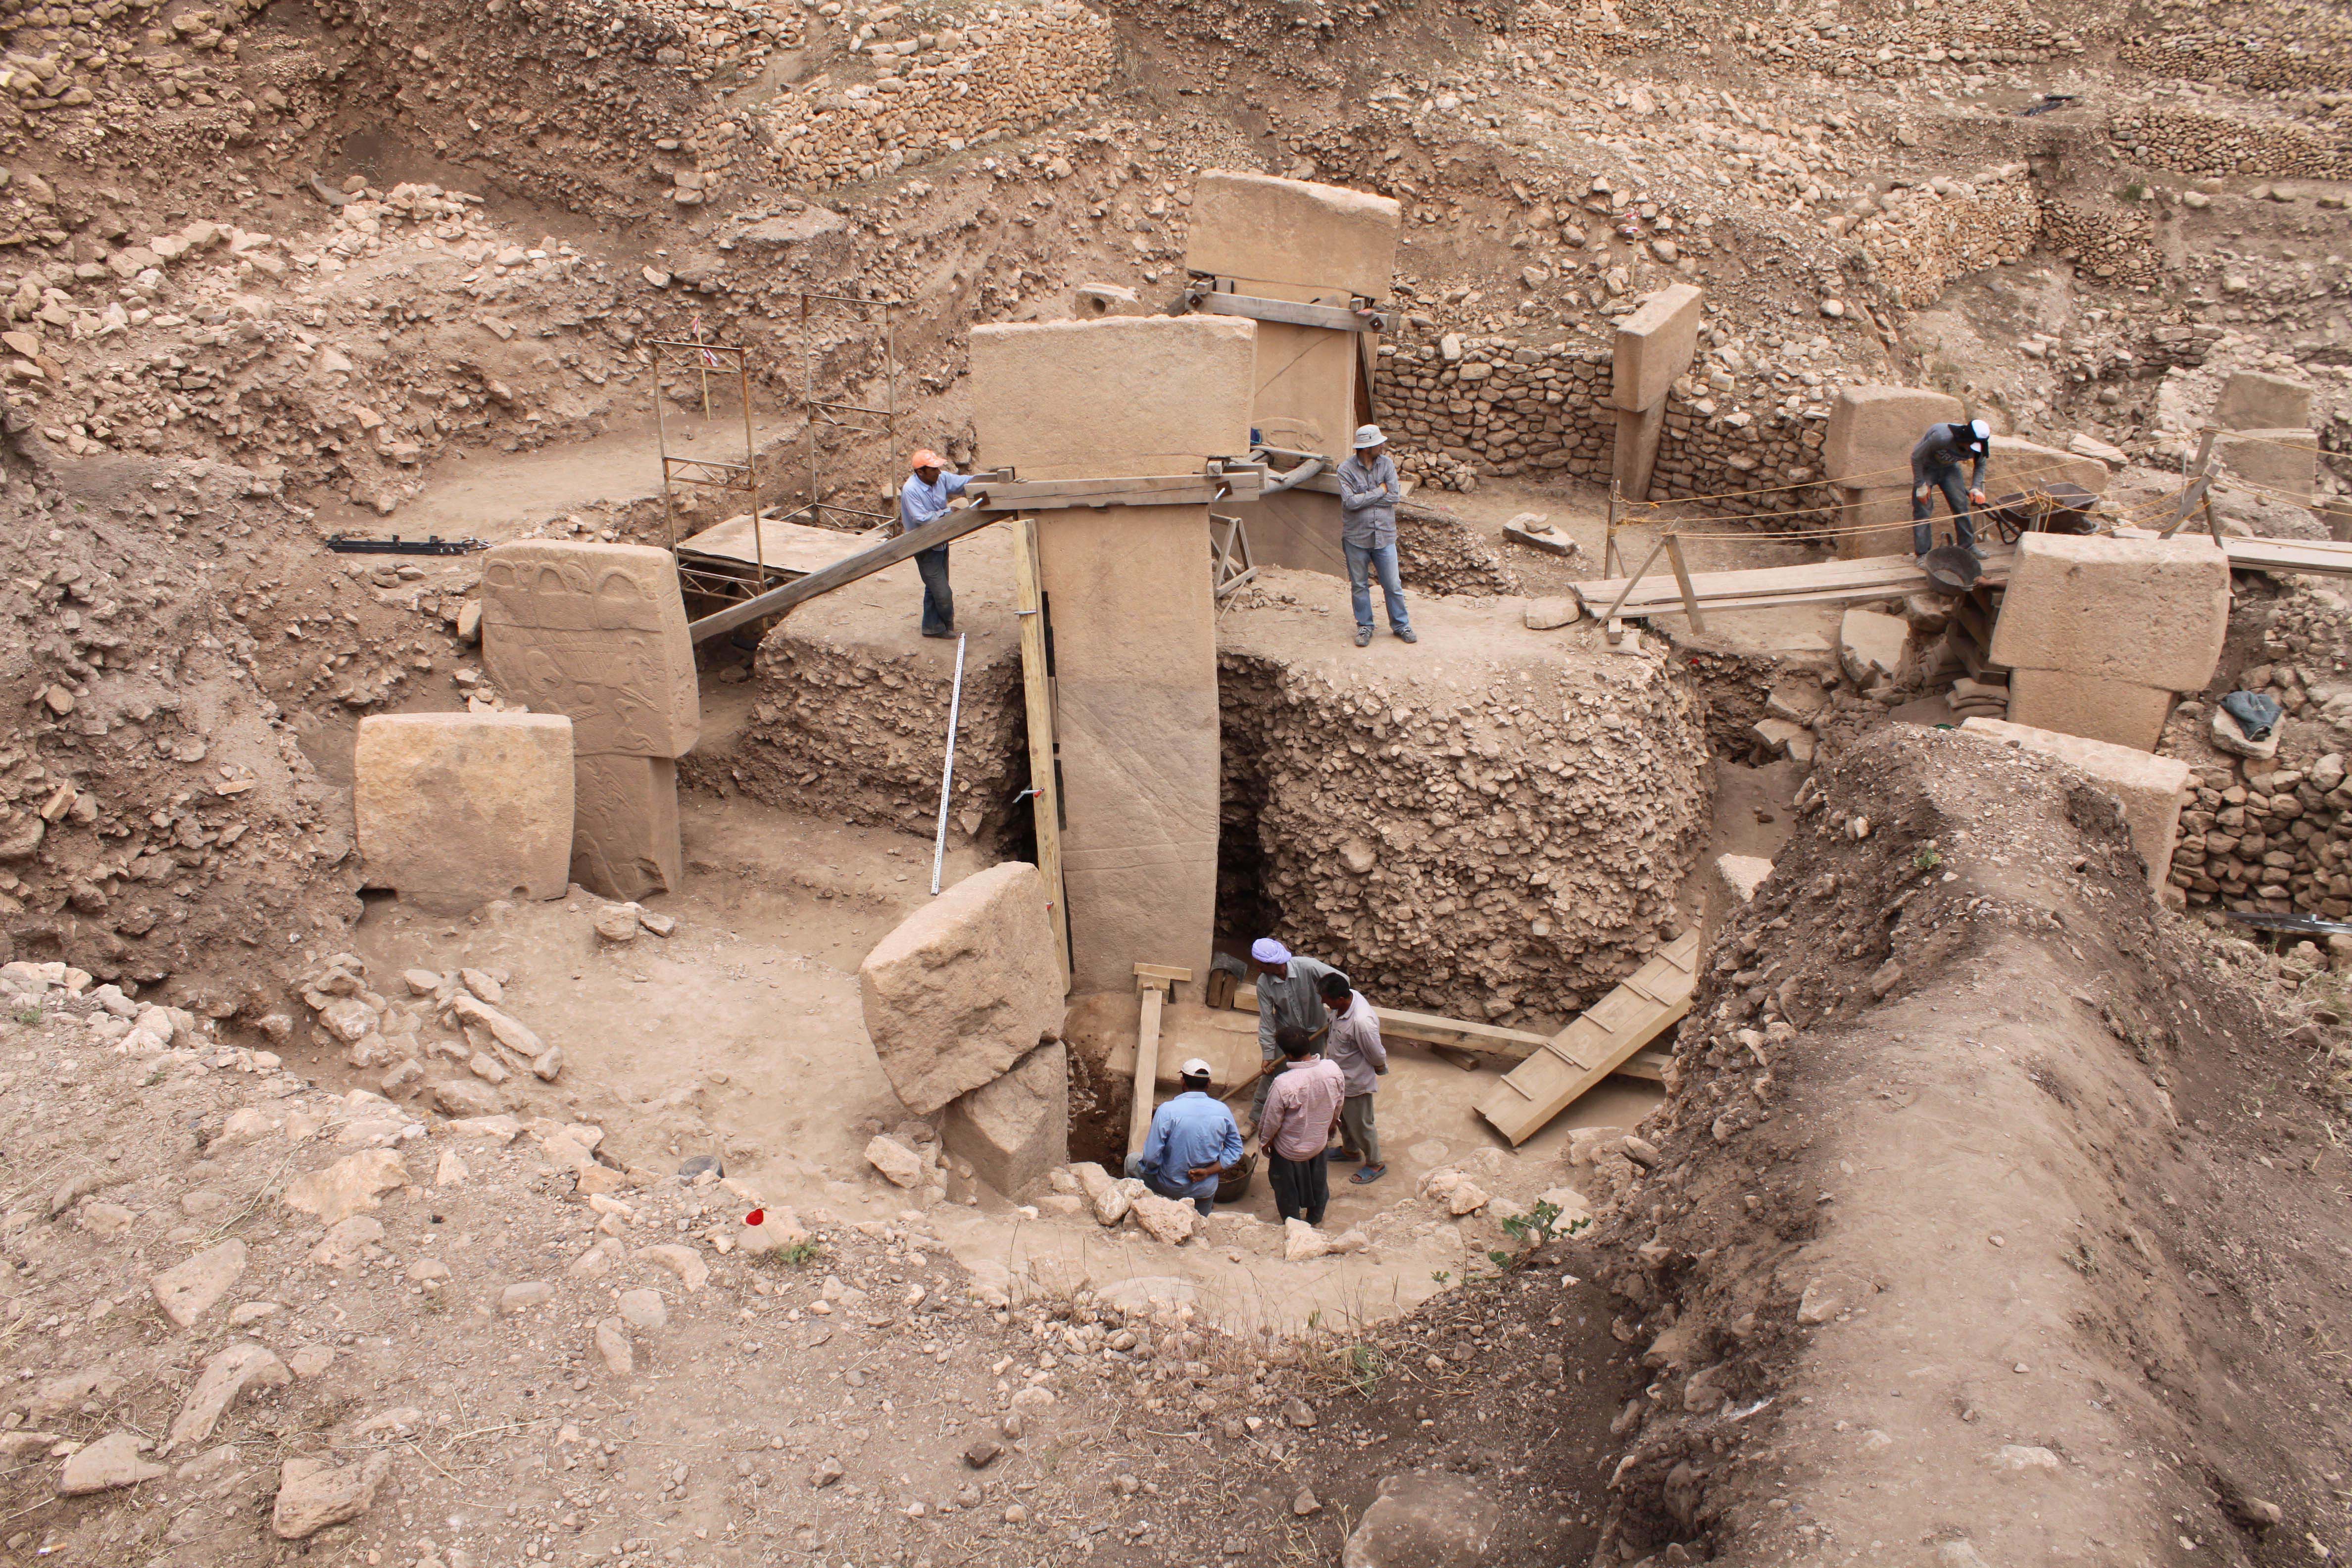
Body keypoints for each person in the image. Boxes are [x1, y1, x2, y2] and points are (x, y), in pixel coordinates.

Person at [1242, 937, 1348, 1128]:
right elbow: (1267, 1022)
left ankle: (1311, 1118)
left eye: (1260, 966)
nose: (1258, 970)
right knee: (1273, 1075)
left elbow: (1343, 981)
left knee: (1313, 1073)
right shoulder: (1264, 984)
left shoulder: (1306, 967)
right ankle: (1255, 1119)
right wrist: (1268, 1054)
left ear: (1273, 964)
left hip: (1316, 1029)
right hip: (1288, 1032)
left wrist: (1336, 1010)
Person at [1126, 1058, 1245, 1217]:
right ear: (1209, 1084)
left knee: (1131, 1161)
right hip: (1204, 1187)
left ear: (1182, 1081)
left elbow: (1151, 1156)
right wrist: (1208, 1172)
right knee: (1202, 1220)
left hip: (1169, 1185)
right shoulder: (1222, 1111)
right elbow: (1236, 1150)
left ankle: (1141, 1205)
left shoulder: (1167, 1111)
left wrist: (1155, 1171)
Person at [1335, 424, 1416, 648]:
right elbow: (1350, 503)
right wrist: (1380, 491)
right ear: (1366, 448)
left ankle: (1401, 625)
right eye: (1378, 443)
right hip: (1356, 537)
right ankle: (1365, 626)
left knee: (1393, 584)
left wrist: (1366, 498)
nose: (1382, 445)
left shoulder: (1387, 464)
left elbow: (1395, 498)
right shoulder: (1345, 470)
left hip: (1384, 535)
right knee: (1360, 585)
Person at [1258, 1025, 1346, 1225]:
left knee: (1287, 1190)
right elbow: (1339, 1102)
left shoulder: (1284, 1084)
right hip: (1318, 1143)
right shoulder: (1332, 1069)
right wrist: (1332, 1125)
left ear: (1287, 1054)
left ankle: (1293, 1225)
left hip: (1290, 1150)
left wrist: (1265, 1143)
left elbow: (1271, 1121)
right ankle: (1315, 1219)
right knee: (1319, 1185)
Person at [898, 448, 982, 639]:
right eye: (934, 470)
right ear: (921, 472)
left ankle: (932, 627)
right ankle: (946, 624)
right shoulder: (911, 490)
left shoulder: (941, 478)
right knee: (943, 593)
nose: (939, 472)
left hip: (942, 542)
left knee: (933, 587)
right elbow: (922, 519)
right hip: (925, 546)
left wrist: (990, 479)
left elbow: (964, 483)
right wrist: (947, 512)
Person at [1319, 972, 1389, 1185]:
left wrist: (1377, 1069)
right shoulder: (1346, 1001)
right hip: (1339, 1077)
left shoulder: (1362, 1022)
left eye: (1326, 999)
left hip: (1355, 1080)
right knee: (1343, 1119)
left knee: (1361, 1124)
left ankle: (1376, 1163)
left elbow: (1377, 1054)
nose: (1323, 1002)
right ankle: (1350, 1151)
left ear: (1340, 999)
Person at [1911, 419, 1991, 560]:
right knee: (1923, 509)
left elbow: (1980, 466)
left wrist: (1976, 488)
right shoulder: (1942, 437)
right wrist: (1921, 484)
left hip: (1950, 469)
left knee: (1961, 506)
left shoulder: (1979, 448)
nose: (1971, 450)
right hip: (1927, 468)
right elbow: (1916, 457)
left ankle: (1967, 546)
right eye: (1970, 445)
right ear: (1964, 438)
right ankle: (1923, 554)